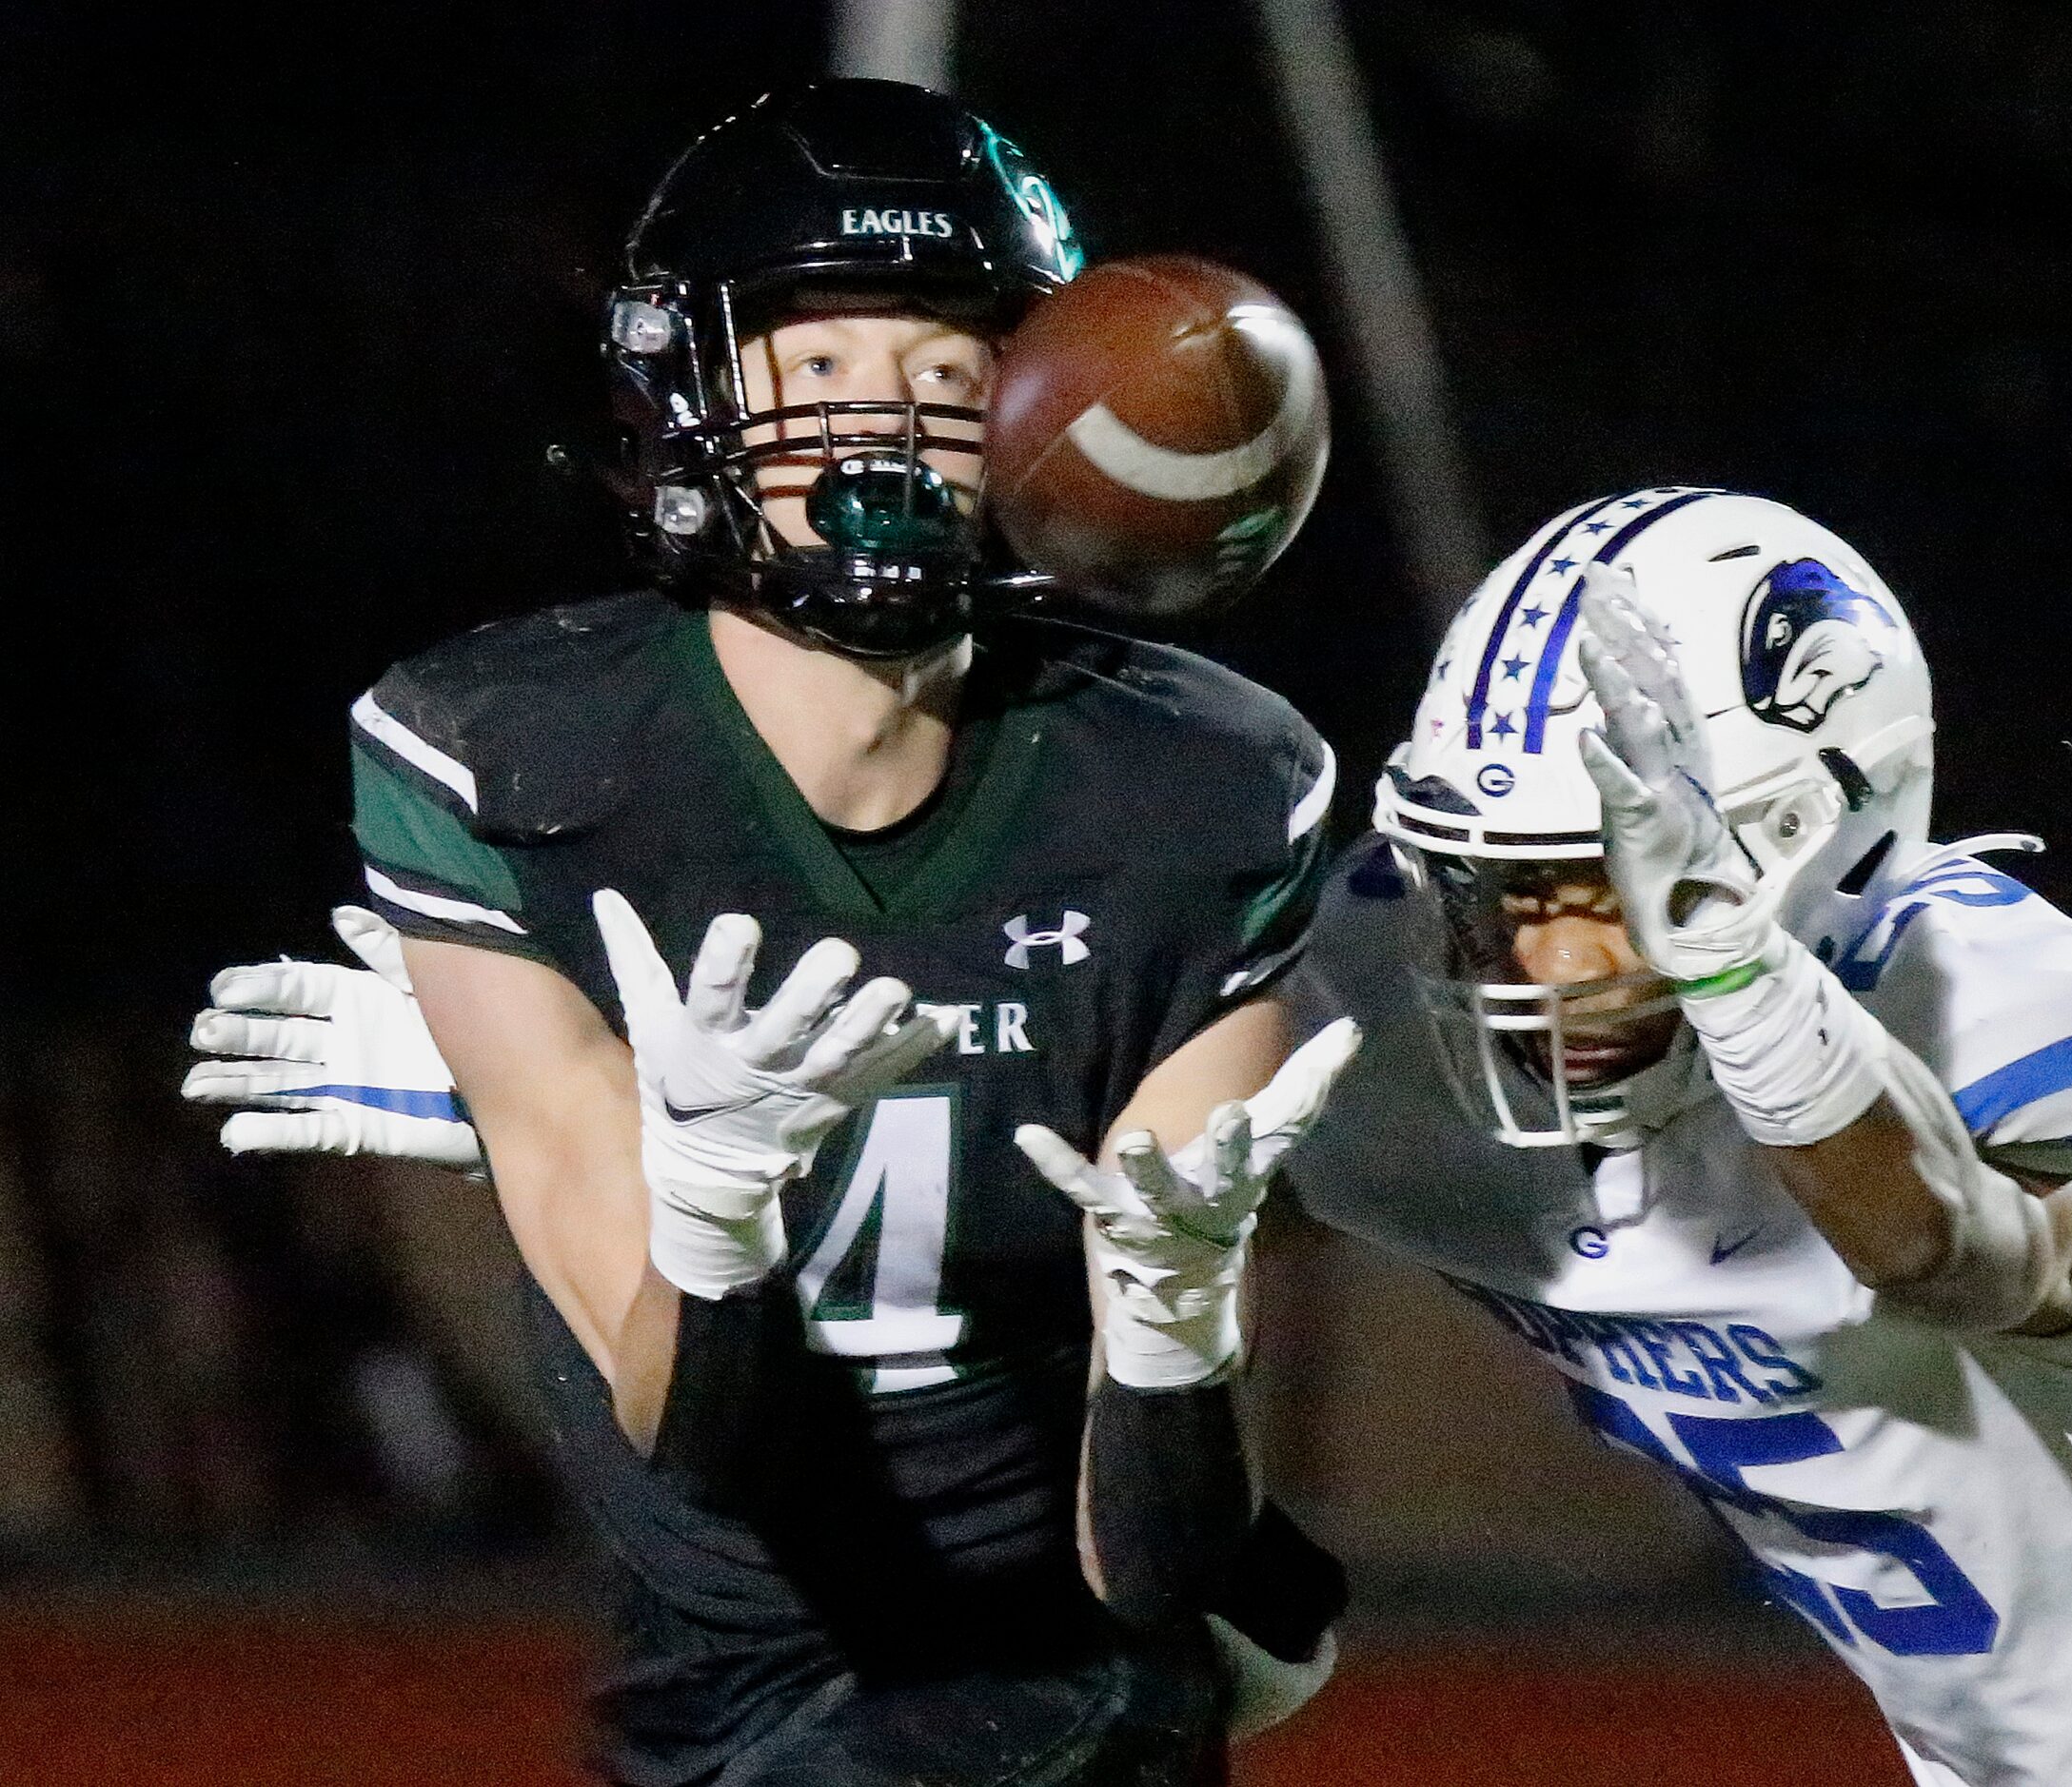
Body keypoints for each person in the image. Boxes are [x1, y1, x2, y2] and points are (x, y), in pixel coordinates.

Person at [187, 79, 1352, 1787]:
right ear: (686, 395)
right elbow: (697, 1434)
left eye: (946, 375)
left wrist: (1176, 1323)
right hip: (716, 1663)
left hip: (1049, 1665)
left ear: (1043, 410)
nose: (878, 429)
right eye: (814, 368)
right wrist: (706, 1197)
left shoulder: (1199, 788)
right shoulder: (506, 753)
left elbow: (1159, 1565)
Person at [1291, 484, 2072, 1785]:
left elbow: (1969, 1257)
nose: (1551, 961)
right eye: (1512, 887)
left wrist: (1744, 981)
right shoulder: (1386, 1021)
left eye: (1613, 883)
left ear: (1794, 838)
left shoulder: (1967, 983)